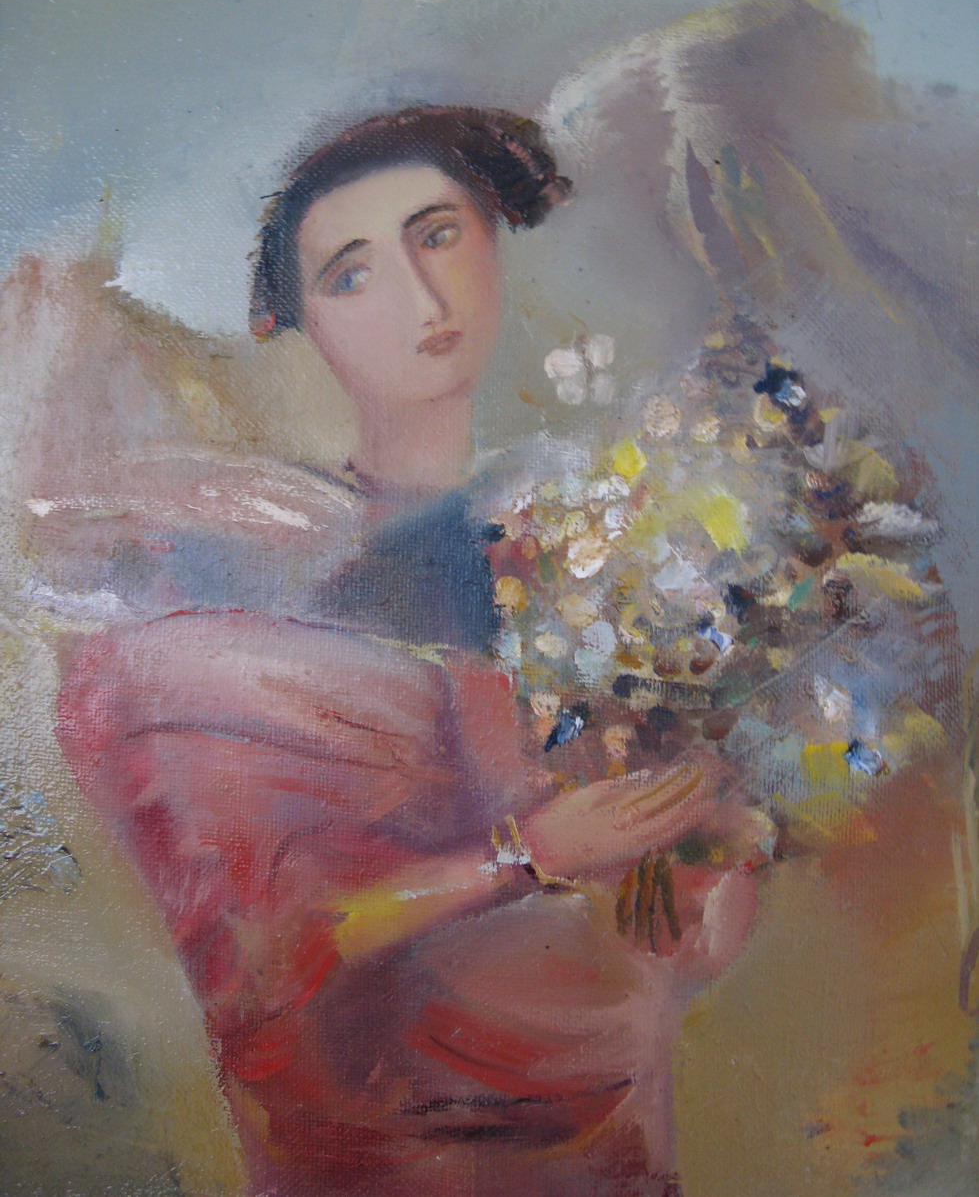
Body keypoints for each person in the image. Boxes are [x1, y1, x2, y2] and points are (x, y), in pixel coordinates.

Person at [56, 106, 761, 1197]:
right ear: (296, 323)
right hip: (383, 1152)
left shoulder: (593, 549)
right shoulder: (253, 582)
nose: (421, 298)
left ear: (494, 242)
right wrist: (525, 854)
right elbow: (258, 958)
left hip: (613, 1147)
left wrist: (716, 828)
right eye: (351, 273)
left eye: (438, 235)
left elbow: (685, 944)